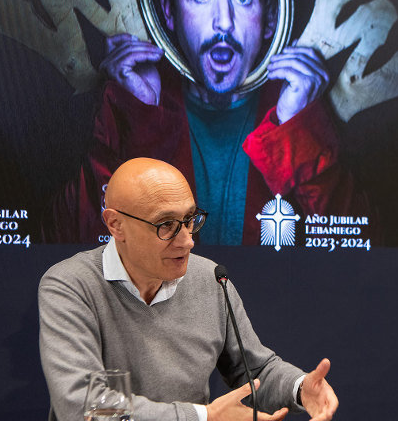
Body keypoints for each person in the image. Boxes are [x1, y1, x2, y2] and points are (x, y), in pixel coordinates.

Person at [45, 0, 368, 245]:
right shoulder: (140, 101)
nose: (223, 22)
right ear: (168, 11)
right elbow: (70, 245)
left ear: (271, 18)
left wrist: (300, 134)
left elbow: (367, 258)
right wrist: (132, 120)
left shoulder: (294, 108)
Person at [38, 157, 339, 421]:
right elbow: (81, 406)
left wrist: (300, 389)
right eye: (166, 225)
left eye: (190, 220)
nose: (187, 241)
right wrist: (203, 416)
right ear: (115, 225)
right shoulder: (70, 286)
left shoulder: (210, 278)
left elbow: (255, 371)